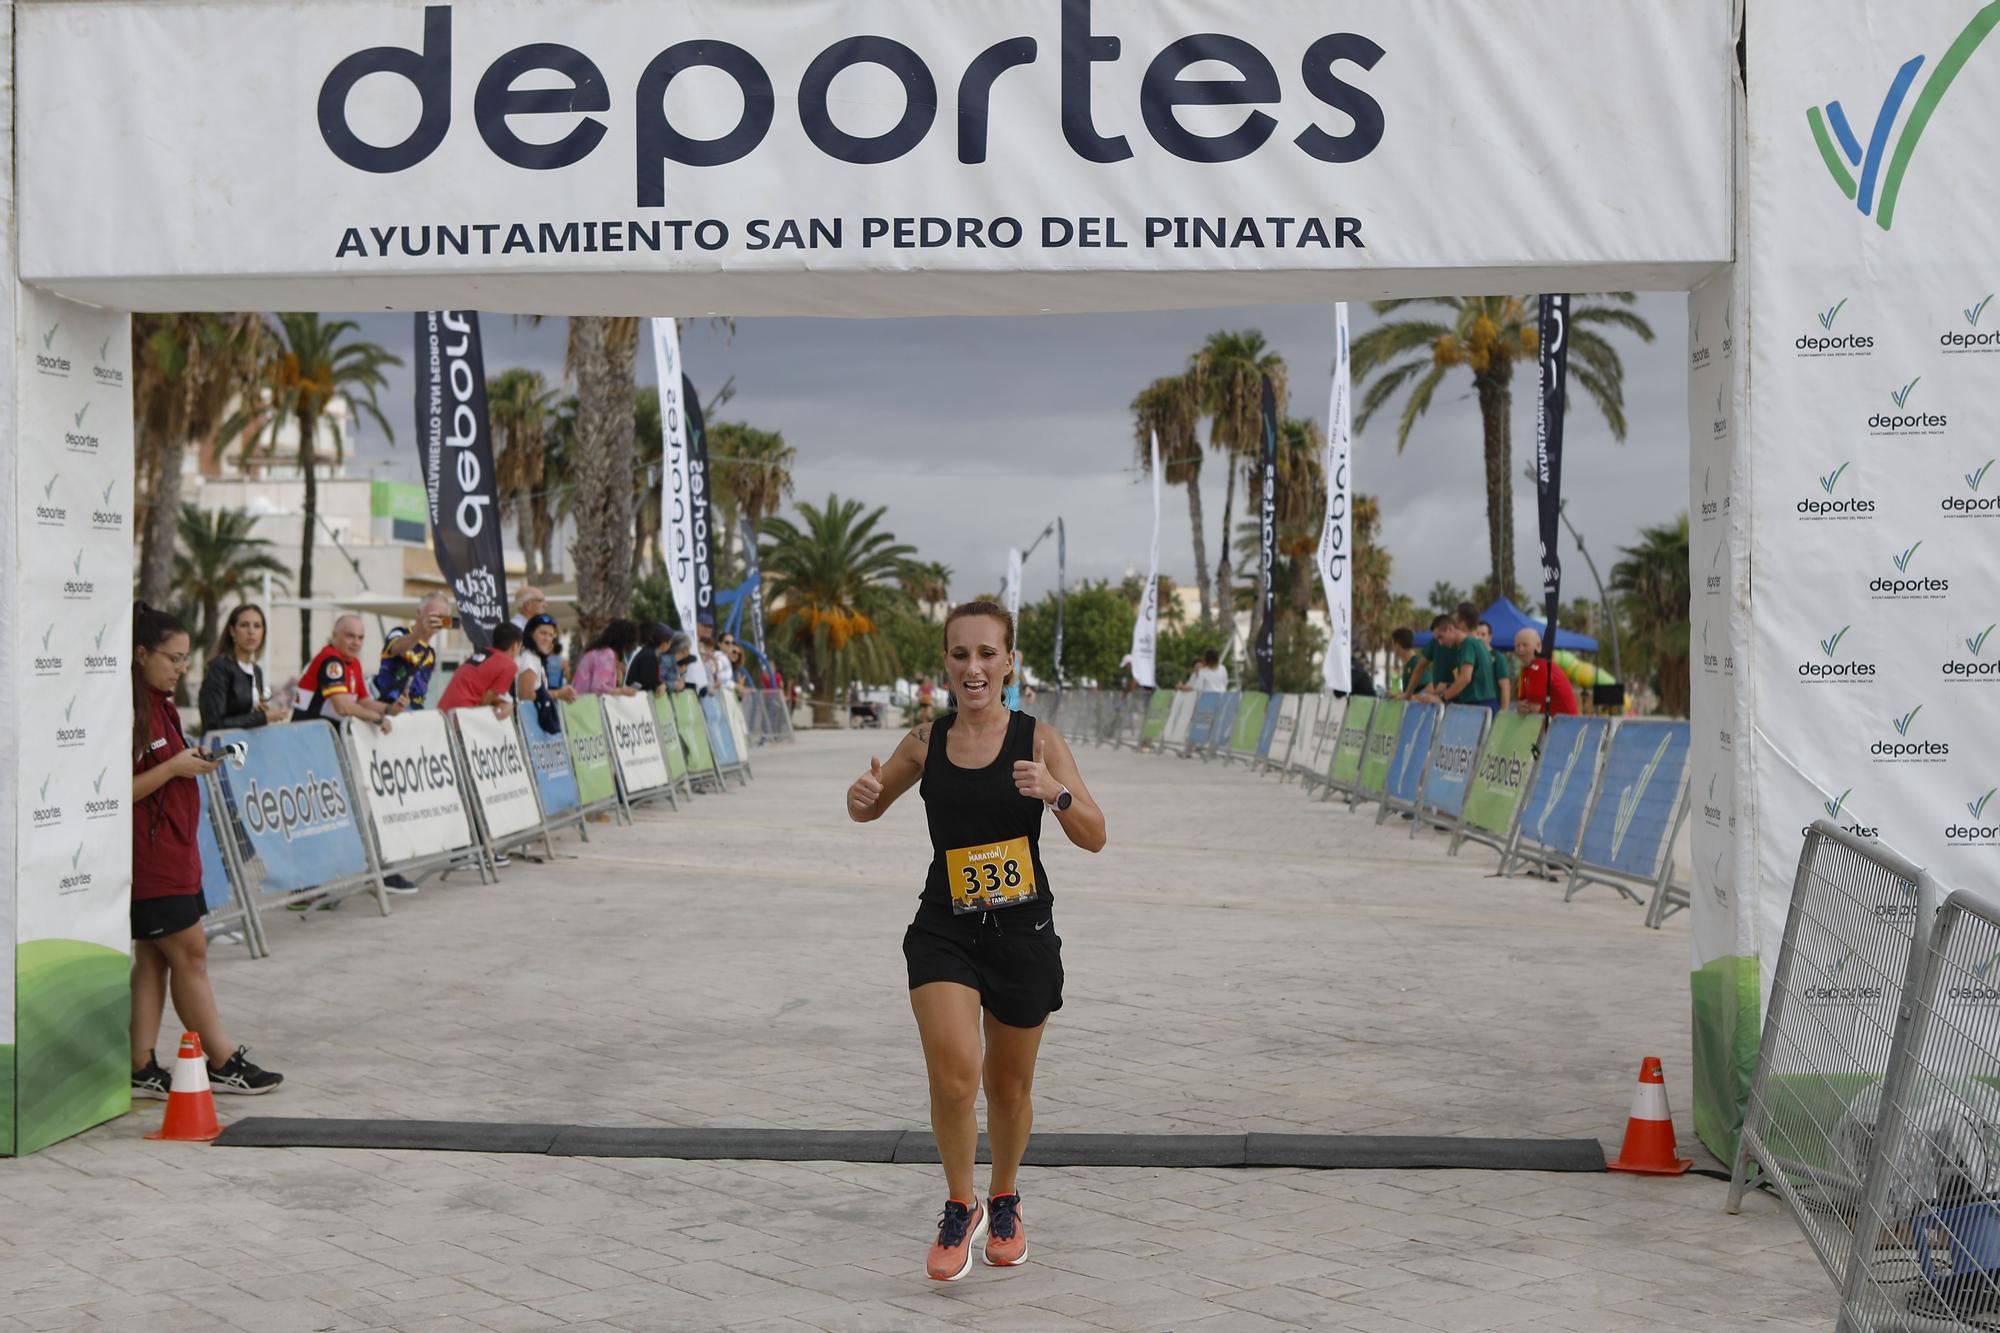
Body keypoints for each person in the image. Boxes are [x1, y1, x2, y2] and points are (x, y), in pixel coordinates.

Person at [844, 600, 1107, 1281]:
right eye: (960, 654)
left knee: (1008, 1086)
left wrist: (1055, 793)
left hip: (1022, 931)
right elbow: (870, 805)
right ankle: (960, 1203)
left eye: (987, 653)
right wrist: (862, 794)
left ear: (1009, 660)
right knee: (955, 1072)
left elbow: (1097, 833)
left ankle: (1005, 1196)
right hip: (945, 928)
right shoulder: (924, 743)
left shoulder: (1038, 739)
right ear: (946, 663)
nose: (973, 667)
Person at [130, 603, 283, 1100]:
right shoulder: (132, 711)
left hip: (174, 851)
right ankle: (221, 1062)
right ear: (140, 654)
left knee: (155, 957)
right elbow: (117, 792)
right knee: (191, 953)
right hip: (152, 859)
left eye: (185, 659)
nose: (181, 669)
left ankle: (140, 1063)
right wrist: (175, 767)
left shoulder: (161, 703)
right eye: (173, 658)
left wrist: (188, 761)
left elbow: (167, 766)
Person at [292, 615, 395, 732]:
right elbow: (343, 707)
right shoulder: (331, 661)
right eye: (350, 636)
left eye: (360, 638)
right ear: (334, 636)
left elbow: (364, 701)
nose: (356, 642)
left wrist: (390, 709)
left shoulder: (353, 662)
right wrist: (377, 718)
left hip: (322, 736)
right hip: (306, 735)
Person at [198, 603, 288, 733]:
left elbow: (244, 714)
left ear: (263, 632)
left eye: (257, 626)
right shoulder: (219, 668)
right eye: (244, 625)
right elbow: (214, 723)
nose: (251, 631)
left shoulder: (257, 671)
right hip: (224, 748)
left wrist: (258, 711)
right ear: (232, 631)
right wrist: (263, 717)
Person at [373, 593, 449, 712]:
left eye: (442, 617)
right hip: (390, 709)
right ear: (419, 612)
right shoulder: (399, 633)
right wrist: (419, 632)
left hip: (414, 714)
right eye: (433, 616)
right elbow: (398, 648)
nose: (436, 621)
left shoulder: (431, 653)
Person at [440, 623, 522, 715]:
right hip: (462, 714)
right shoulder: (509, 665)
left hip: (443, 711)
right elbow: (486, 700)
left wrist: (501, 702)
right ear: (515, 646)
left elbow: (474, 689)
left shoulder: (483, 653)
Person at [1513, 628, 1580, 716]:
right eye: (1517, 646)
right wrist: (1520, 706)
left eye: (1525, 645)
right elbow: (1523, 702)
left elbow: (1532, 709)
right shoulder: (1527, 669)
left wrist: (1521, 707)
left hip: (1564, 725)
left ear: (1538, 646)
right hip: (1557, 723)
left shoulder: (1539, 666)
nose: (1520, 649)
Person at [573, 618, 642, 695]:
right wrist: (622, 691)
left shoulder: (597, 651)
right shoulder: (607, 654)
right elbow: (599, 688)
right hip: (587, 704)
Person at [626, 622, 674, 694]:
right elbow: (650, 684)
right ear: (664, 643)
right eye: (670, 642)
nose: (670, 645)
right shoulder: (649, 656)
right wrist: (666, 686)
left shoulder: (649, 653)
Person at [1477, 621, 1515, 710]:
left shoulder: (1497, 657)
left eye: (1483, 634)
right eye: (1477, 634)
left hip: (1492, 707)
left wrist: (1503, 713)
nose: (1479, 637)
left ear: (1490, 637)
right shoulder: (1472, 657)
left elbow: (1505, 686)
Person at [1391, 627, 1427, 699]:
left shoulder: (1416, 663)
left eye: (1392, 643)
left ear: (1397, 645)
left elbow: (1431, 687)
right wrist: (1398, 695)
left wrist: (1412, 697)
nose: (1392, 647)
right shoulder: (1408, 664)